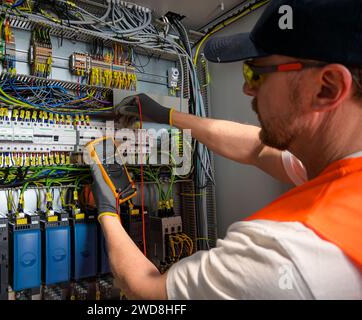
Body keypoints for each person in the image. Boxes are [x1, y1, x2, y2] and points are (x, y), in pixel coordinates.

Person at [89, 0, 362, 299]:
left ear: (327, 88)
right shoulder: (344, 175)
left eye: (256, 73)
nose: (248, 88)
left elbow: (144, 291)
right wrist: (168, 115)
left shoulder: (287, 253)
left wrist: (108, 210)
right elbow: (257, 148)